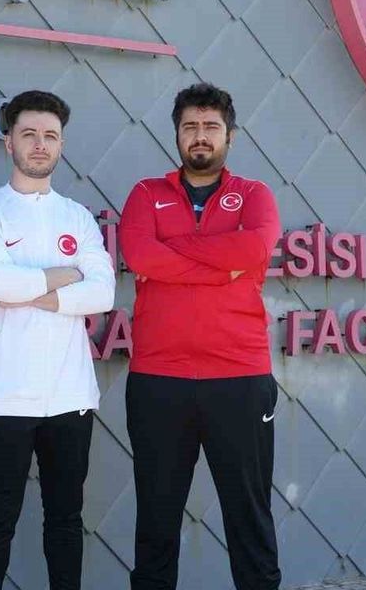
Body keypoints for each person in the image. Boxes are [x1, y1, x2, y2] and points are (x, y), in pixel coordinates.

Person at [118, 83, 282, 590]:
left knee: (249, 516)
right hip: (159, 379)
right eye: (190, 126)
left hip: (240, 377)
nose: (200, 136)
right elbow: (140, 255)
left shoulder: (255, 195)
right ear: (177, 134)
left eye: (211, 126)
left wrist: (174, 253)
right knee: (156, 519)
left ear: (230, 135)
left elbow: (255, 249)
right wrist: (220, 263)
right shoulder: (146, 193)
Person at [0, 90, 116, 590]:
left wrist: (32, 293)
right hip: (6, 394)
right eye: (28, 134)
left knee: (66, 521)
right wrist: (65, 278)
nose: (40, 144)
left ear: (61, 144)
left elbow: (103, 292)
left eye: (50, 135)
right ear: (9, 142)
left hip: (70, 395)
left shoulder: (77, 216)